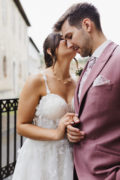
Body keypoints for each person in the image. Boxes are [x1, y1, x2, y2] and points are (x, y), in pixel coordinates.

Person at [53, 2, 120, 180]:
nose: (68, 44)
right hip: (79, 172)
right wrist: (71, 130)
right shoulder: (88, 65)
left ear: (87, 25)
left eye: (69, 36)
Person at [12, 32, 79, 180]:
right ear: (50, 50)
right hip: (40, 159)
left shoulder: (78, 82)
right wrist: (56, 133)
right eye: (62, 39)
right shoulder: (37, 80)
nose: (69, 41)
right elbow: (21, 126)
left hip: (70, 157)